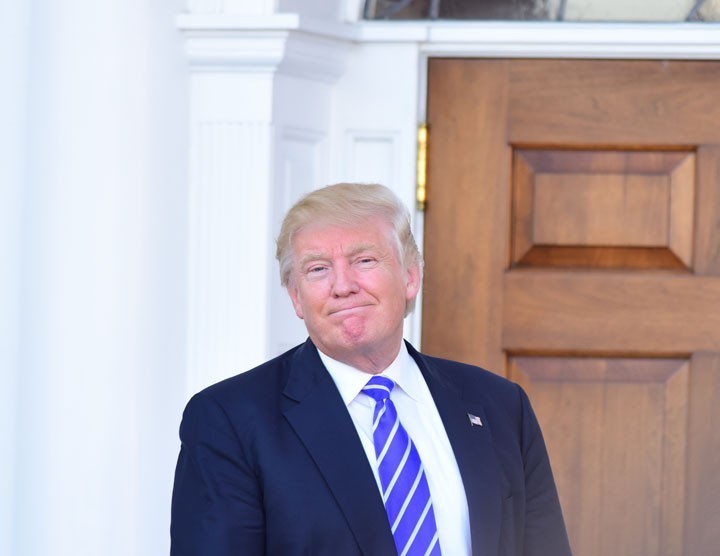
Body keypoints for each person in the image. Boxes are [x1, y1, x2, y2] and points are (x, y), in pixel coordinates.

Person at [170, 182, 572, 556]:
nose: (342, 285)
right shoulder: (229, 421)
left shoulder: (500, 406)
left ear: (410, 277)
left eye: (363, 260)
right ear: (295, 297)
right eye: (317, 269)